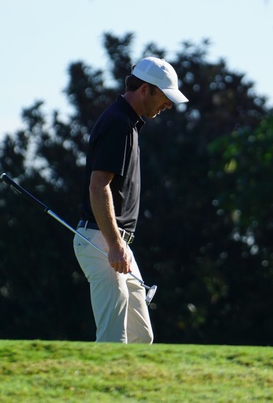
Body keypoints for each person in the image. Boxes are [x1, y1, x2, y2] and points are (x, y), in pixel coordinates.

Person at [73, 57, 189, 344]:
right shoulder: (119, 123)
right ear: (145, 89)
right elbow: (98, 186)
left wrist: (118, 245)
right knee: (114, 341)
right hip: (102, 240)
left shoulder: (129, 123)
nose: (169, 105)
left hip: (114, 241)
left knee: (141, 337)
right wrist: (114, 245)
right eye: (165, 97)